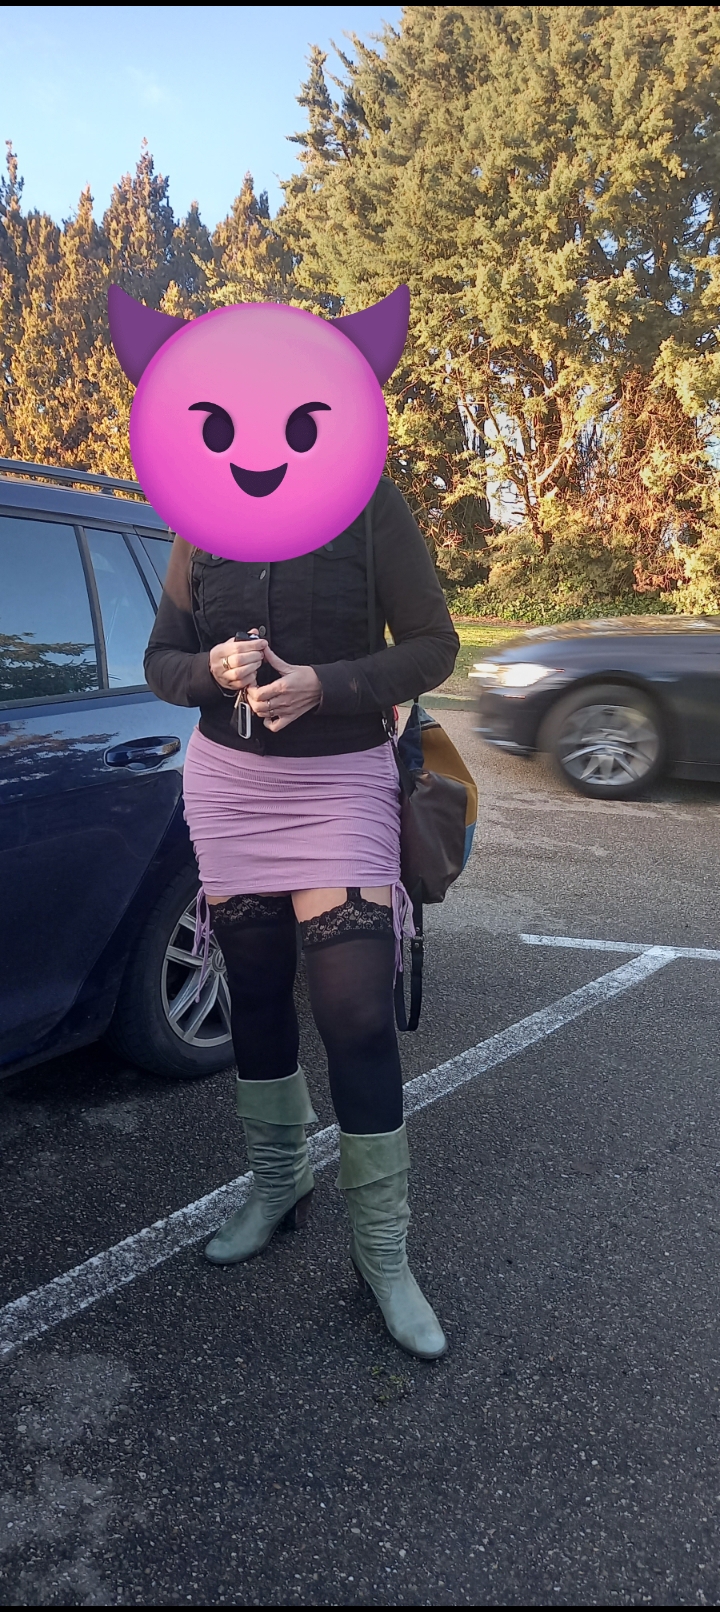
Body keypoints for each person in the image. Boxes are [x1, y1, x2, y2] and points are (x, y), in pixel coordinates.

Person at [144, 475, 459, 1359]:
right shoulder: (201, 516)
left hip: (341, 785)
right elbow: (161, 659)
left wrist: (328, 684)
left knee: (356, 1011)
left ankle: (383, 1252)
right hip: (229, 787)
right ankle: (278, 1184)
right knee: (252, 992)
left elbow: (435, 646)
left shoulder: (368, 502)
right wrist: (209, 669)